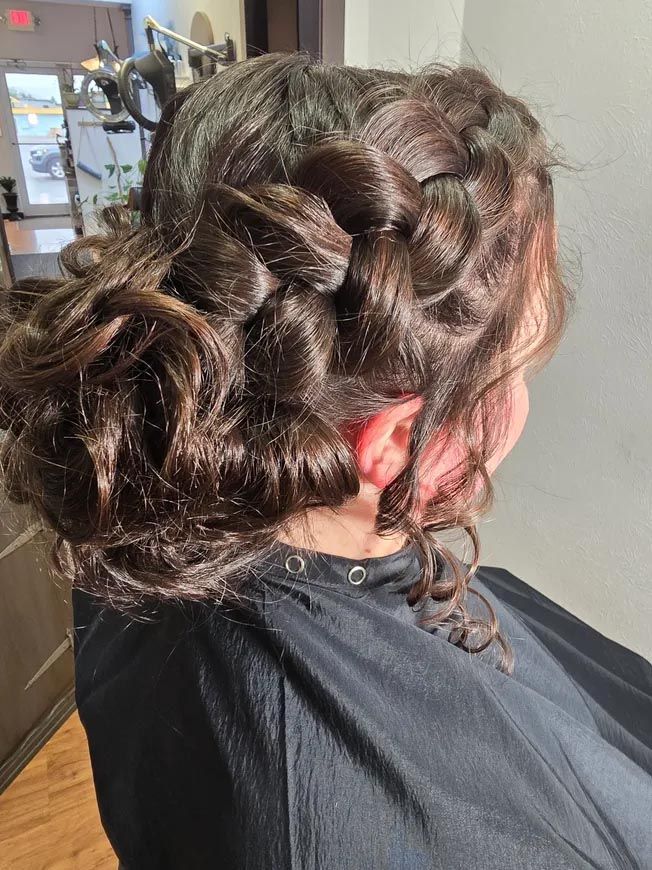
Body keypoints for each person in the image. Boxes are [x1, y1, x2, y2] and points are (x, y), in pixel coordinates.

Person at [0, 52, 650, 869]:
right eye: (519, 371)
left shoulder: (142, 481)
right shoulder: (320, 825)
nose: (523, 402)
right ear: (397, 444)